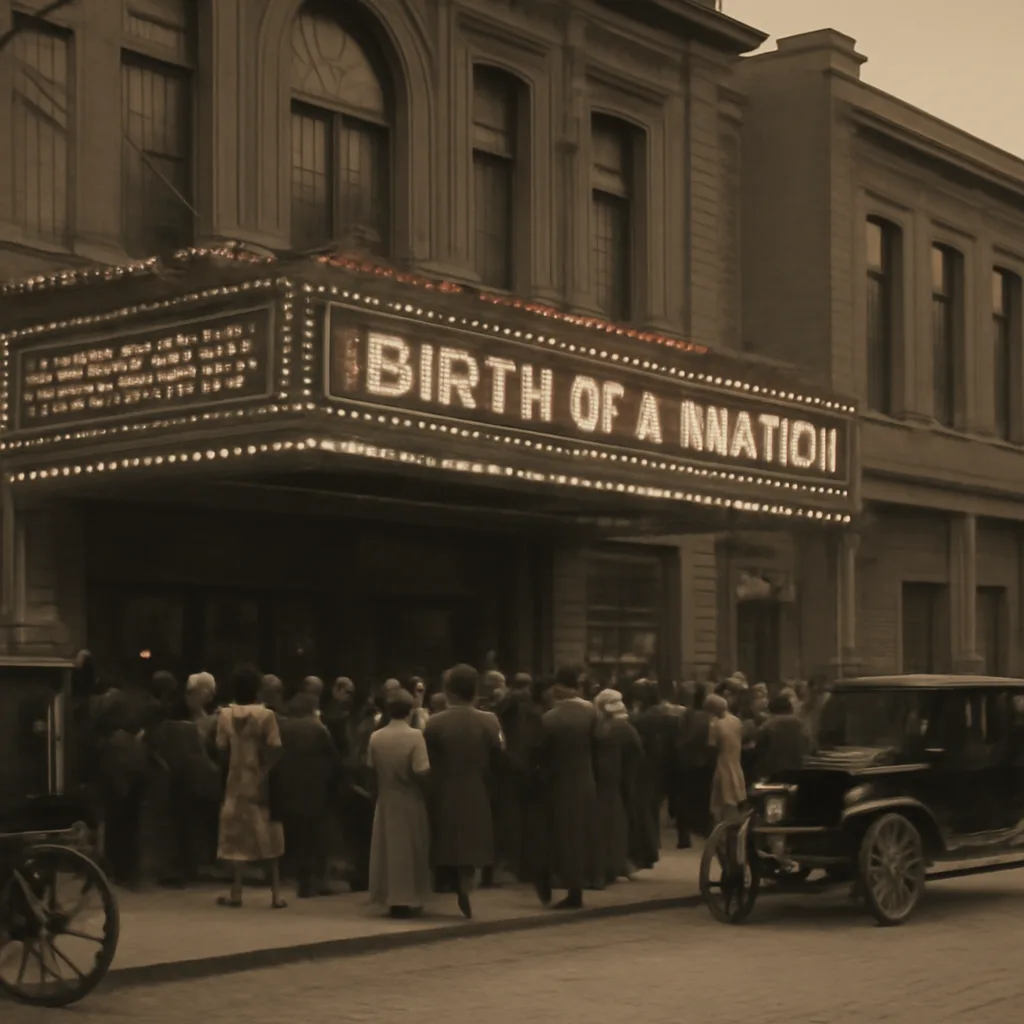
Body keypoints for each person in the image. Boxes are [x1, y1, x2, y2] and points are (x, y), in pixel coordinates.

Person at [423, 663, 504, 918]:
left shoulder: (434, 723)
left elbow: (427, 758)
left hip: (443, 787)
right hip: (478, 786)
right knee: (472, 837)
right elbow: (499, 754)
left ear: (448, 691)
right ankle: (466, 881)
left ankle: (448, 878)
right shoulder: (489, 720)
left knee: (445, 835)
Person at [215, 663, 286, 909]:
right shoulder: (267, 715)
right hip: (259, 781)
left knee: (237, 836)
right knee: (269, 833)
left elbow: (221, 747)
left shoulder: (224, 715)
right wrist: (265, 769)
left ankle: (236, 891)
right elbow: (276, 747)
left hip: (234, 781)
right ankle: (276, 894)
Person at [535, 667, 601, 909]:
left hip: (558, 784)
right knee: (580, 836)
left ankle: (556, 883)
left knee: (557, 836)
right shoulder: (591, 713)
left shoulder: (550, 718)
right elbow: (598, 746)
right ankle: (577, 887)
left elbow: (540, 753)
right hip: (586, 781)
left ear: (557, 688)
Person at [367, 688, 432, 918]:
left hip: (386, 798)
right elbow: (421, 769)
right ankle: (409, 895)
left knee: (387, 848)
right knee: (410, 847)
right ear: (410, 709)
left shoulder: (376, 737)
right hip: (409, 797)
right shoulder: (415, 736)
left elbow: (371, 766)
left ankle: (389, 895)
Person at [274, 691, 342, 898]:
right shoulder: (317, 729)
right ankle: (317, 881)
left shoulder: (282, 728)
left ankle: (301, 880)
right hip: (315, 790)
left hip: (288, 788)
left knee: (297, 836)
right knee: (316, 838)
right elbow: (334, 760)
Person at [592, 688, 641, 885]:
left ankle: (609, 865)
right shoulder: (624, 727)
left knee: (606, 824)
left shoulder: (599, 726)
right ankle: (617, 865)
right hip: (619, 780)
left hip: (604, 780)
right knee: (617, 824)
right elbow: (637, 750)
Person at [705, 693, 746, 824]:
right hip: (736, 761)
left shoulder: (715, 725)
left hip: (722, 763)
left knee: (722, 798)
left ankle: (723, 827)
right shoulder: (736, 721)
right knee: (735, 794)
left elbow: (711, 746)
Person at [753, 695, 812, 780]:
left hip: (773, 770)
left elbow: (758, 748)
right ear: (790, 708)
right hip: (797, 768)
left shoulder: (767, 725)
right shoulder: (800, 724)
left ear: (771, 709)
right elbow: (810, 746)